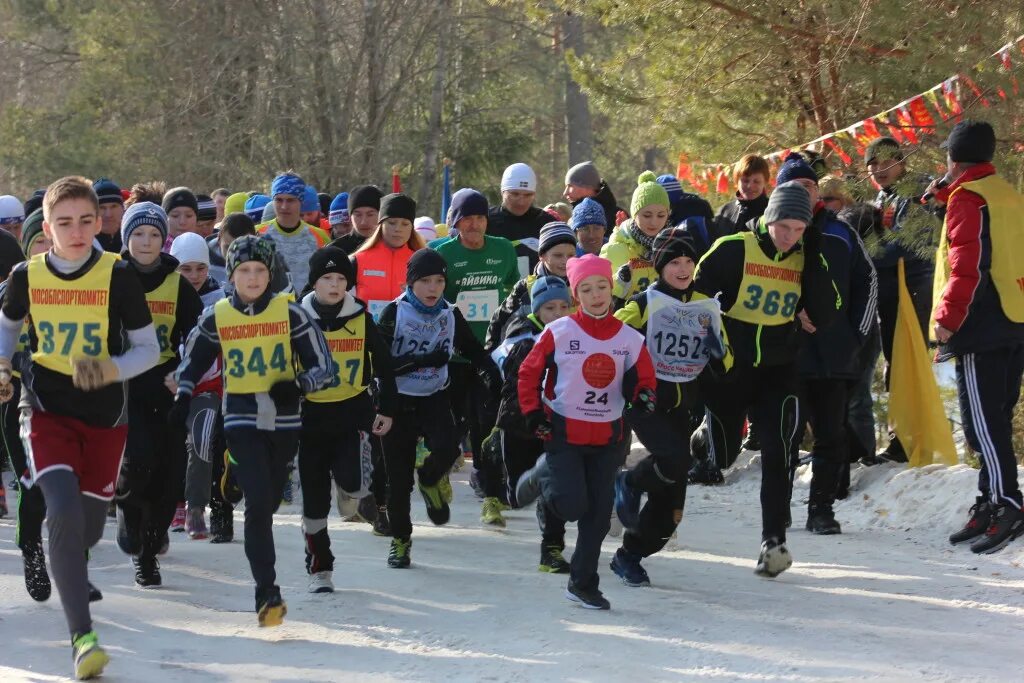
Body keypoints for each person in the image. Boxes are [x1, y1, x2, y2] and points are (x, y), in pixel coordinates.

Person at [0, 176, 160, 678]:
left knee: (87, 526)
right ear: (46, 228)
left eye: (85, 221)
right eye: (63, 223)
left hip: (106, 416)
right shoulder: (27, 275)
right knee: (62, 511)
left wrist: (109, 369)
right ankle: (82, 638)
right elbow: (6, 324)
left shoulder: (118, 276)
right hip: (44, 406)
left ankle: (71, 557)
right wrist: (3, 367)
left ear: (100, 224)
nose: (75, 232)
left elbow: (148, 351)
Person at [172, 235, 334, 625]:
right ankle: (267, 592)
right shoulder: (218, 316)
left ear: (271, 273)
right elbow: (192, 361)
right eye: (244, 270)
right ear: (231, 275)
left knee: (272, 497)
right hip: (240, 416)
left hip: (284, 420)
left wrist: (298, 385)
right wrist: (182, 394)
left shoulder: (291, 312)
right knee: (259, 506)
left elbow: (325, 368)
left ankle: (232, 469)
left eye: (260, 270)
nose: (253, 277)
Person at [692, 181, 837, 577]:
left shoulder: (806, 255)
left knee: (780, 449)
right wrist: (712, 336)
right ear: (769, 219)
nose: (790, 237)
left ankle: (773, 541)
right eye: (784, 227)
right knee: (723, 457)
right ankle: (707, 437)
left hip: (779, 369)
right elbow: (693, 294)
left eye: (799, 229)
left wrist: (814, 256)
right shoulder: (735, 248)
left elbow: (825, 314)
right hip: (732, 370)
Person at [515, 253, 656, 610]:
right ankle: (543, 472)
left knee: (597, 517)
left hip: (609, 436)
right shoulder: (559, 332)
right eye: (587, 289)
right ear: (577, 296)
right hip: (563, 432)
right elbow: (529, 374)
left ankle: (583, 583)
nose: (596, 295)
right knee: (572, 505)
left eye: (602, 287)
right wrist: (533, 414)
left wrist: (643, 397)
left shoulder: (629, 338)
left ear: (611, 289)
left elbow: (644, 378)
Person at [610, 227, 726, 586]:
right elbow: (611, 334)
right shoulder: (646, 303)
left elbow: (726, 360)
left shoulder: (704, 304)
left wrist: (717, 347)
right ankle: (628, 482)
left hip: (683, 407)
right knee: (677, 460)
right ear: (660, 266)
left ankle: (629, 555)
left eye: (689, 261)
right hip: (646, 401)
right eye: (674, 261)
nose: (683, 268)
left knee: (672, 512)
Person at [930, 121, 1024, 554]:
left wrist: (947, 319)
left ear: (952, 159)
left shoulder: (968, 199)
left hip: (980, 323)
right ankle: (989, 501)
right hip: (1015, 316)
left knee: (981, 425)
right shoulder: (1005, 193)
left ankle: (1007, 503)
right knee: (996, 419)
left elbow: (969, 265)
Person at [375, 249, 499, 567]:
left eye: (439, 281)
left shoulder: (448, 313)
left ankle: (430, 479)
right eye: (425, 281)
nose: (433, 288)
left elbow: (472, 349)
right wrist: (420, 360)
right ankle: (401, 541)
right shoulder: (394, 312)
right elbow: (378, 365)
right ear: (411, 283)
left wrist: (492, 372)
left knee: (447, 449)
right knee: (399, 480)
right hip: (396, 400)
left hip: (433, 396)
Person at [777, 154, 877, 535]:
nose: (803, 193)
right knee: (785, 434)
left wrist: (855, 335)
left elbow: (867, 281)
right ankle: (779, 505)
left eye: (809, 186)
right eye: (794, 187)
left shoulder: (841, 232)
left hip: (834, 353)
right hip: (786, 354)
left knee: (831, 434)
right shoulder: (774, 232)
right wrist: (791, 313)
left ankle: (821, 508)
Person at [114, 202, 203, 585]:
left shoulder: (177, 283)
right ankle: (128, 517)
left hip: (167, 386)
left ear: (163, 239)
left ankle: (149, 553)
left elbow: (200, 337)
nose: (146, 241)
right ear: (125, 238)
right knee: (137, 464)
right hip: (124, 385)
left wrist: (185, 373)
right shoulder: (111, 277)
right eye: (137, 234)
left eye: (153, 234)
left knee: (169, 477)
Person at [298, 246, 397, 591]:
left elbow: (385, 364)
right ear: (314, 282)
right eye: (327, 278)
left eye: (341, 278)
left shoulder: (360, 317)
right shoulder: (297, 317)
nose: (335, 284)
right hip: (308, 416)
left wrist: (386, 407)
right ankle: (320, 566)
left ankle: (357, 474)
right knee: (313, 500)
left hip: (351, 410)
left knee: (355, 487)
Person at [434, 189, 519, 516]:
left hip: (489, 354)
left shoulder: (503, 250)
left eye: (480, 217)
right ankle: (440, 472)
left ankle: (492, 494)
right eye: (466, 218)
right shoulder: (440, 253)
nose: (474, 225)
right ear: (455, 222)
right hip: (452, 354)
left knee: (486, 424)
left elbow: (513, 291)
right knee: (452, 426)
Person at [863, 136, 938, 464]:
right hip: (891, 292)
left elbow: (908, 243)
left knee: (912, 363)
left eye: (885, 163)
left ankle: (917, 440)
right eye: (873, 166)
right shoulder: (883, 197)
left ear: (901, 162)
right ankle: (901, 439)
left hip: (916, 290)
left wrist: (862, 257)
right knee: (896, 364)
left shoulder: (918, 193)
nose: (879, 171)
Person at [491, 276, 571, 567]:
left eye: (565, 306)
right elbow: (511, 384)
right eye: (550, 308)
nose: (559, 314)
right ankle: (529, 484)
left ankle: (551, 548)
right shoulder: (523, 337)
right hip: (520, 423)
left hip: (557, 423)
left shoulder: (574, 334)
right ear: (536, 310)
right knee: (517, 491)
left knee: (555, 481)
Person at [0, 208, 50, 602]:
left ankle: (75, 559)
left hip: (69, 401)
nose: (48, 251)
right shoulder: (13, 291)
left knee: (71, 491)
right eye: (39, 244)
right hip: (18, 400)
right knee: (32, 486)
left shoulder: (84, 290)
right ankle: (32, 550)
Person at [169, 232, 228, 542]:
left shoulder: (221, 299)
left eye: (200, 269)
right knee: (168, 443)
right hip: (169, 384)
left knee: (202, 438)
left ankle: (195, 507)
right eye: (185, 268)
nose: (193, 276)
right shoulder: (166, 293)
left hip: (208, 385)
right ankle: (173, 502)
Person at [484, 221, 576, 353]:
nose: (565, 261)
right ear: (542, 256)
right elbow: (499, 321)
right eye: (558, 255)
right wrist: (491, 359)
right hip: (530, 360)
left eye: (571, 255)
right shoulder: (525, 287)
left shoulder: (581, 286)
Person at [601, 171, 671, 305]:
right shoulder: (615, 249)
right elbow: (600, 294)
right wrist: (620, 281)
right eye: (647, 215)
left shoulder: (673, 246)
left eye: (661, 215)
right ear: (634, 214)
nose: (654, 222)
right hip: (628, 322)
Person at [351, 193, 425, 320]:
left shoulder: (422, 262)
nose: (398, 229)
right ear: (381, 225)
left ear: (412, 228)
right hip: (367, 336)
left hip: (408, 337)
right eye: (391, 223)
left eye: (405, 224)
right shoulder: (357, 260)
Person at [257, 173, 331, 291]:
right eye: (279, 200)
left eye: (290, 200)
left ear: (300, 201)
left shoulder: (320, 236)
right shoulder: (257, 234)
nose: (284, 206)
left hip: (307, 306)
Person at [487, 163, 552, 277]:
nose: (521, 201)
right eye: (515, 194)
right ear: (503, 192)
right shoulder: (486, 221)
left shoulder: (547, 223)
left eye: (528, 195)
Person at [713, 154, 770, 239]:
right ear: (736, 181)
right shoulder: (724, 212)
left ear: (765, 183)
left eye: (756, 181)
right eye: (745, 181)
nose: (750, 186)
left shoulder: (772, 211)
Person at [564, 161, 624, 234]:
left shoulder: (619, 217)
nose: (565, 193)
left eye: (570, 186)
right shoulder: (573, 219)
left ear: (587, 186)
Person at [332, 185, 383, 255]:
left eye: (370, 215)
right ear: (350, 217)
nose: (363, 222)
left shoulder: (394, 246)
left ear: (381, 215)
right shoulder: (335, 251)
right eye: (358, 215)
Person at [92, 178, 124, 253]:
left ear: (122, 208)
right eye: (101, 207)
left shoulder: (135, 242)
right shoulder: (84, 247)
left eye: (114, 206)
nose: (108, 214)